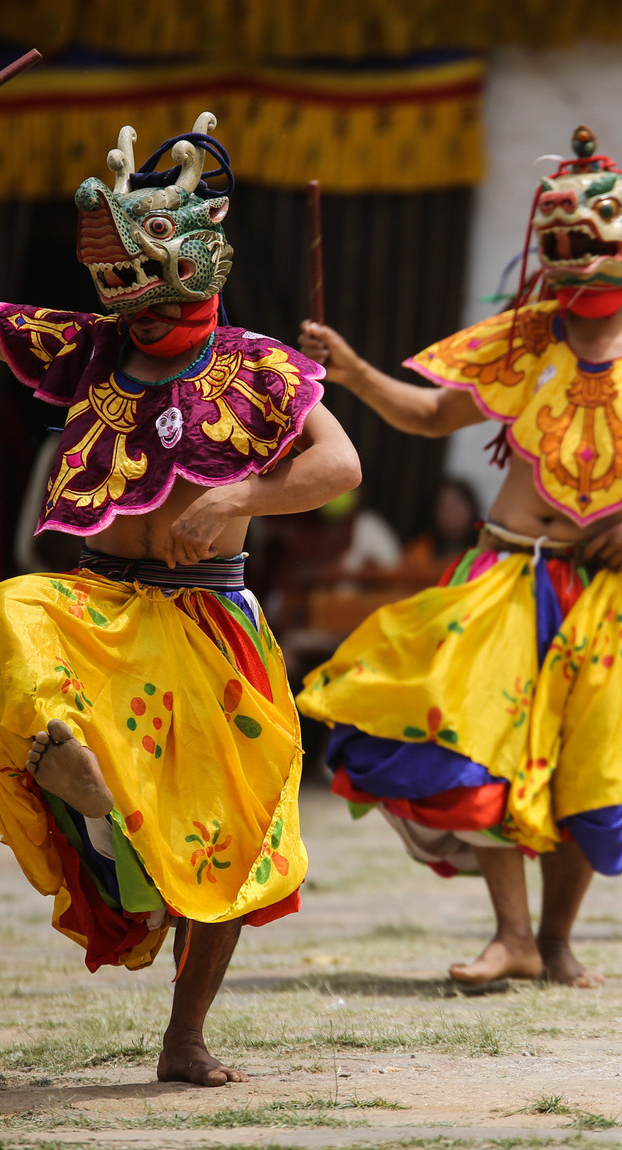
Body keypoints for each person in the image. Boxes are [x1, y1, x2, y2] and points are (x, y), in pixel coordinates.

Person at [0, 106, 361, 1085]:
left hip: (207, 619)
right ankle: (69, 760)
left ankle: (183, 1037)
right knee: (9, 608)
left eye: (145, 283)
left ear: (197, 262)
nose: (133, 309)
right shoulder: (87, 351)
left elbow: (339, 466)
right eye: (118, 288)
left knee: (232, 839)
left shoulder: (260, 366)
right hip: (101, 608)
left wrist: (240, 491)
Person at [297, 125, 622, 989]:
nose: (572, 261)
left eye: (588, 243)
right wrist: (357, 370)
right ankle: (512, 933)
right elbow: (432, 418)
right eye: (558, 245)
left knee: (583, 767)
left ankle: (553, 942)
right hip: (505, 580)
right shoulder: (525, 338)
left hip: (606, 598)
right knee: (477, 744)